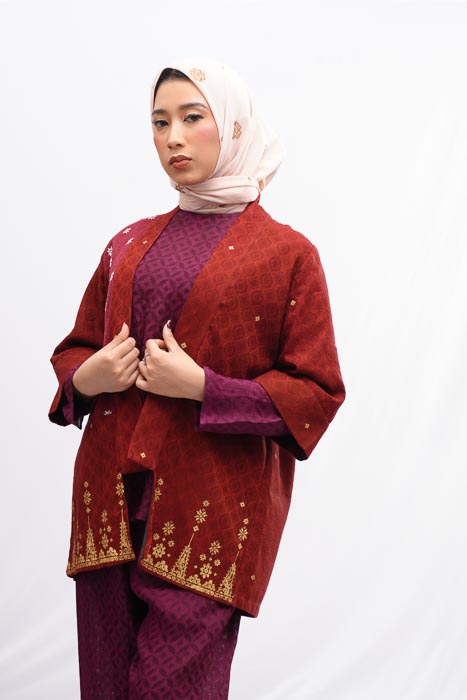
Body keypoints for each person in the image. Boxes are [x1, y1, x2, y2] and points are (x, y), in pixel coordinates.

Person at [48, 57, 345, 700]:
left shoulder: (287, 254)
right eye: (160, 123)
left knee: (170, 688)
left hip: (207, 505)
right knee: (105, 687)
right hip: (108, 495)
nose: (173, 138)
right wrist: (88, 377)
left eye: (191, 117)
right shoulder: (127, 242)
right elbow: (76, 349)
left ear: (233, 125)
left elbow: (316, 393)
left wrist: (206, 388)